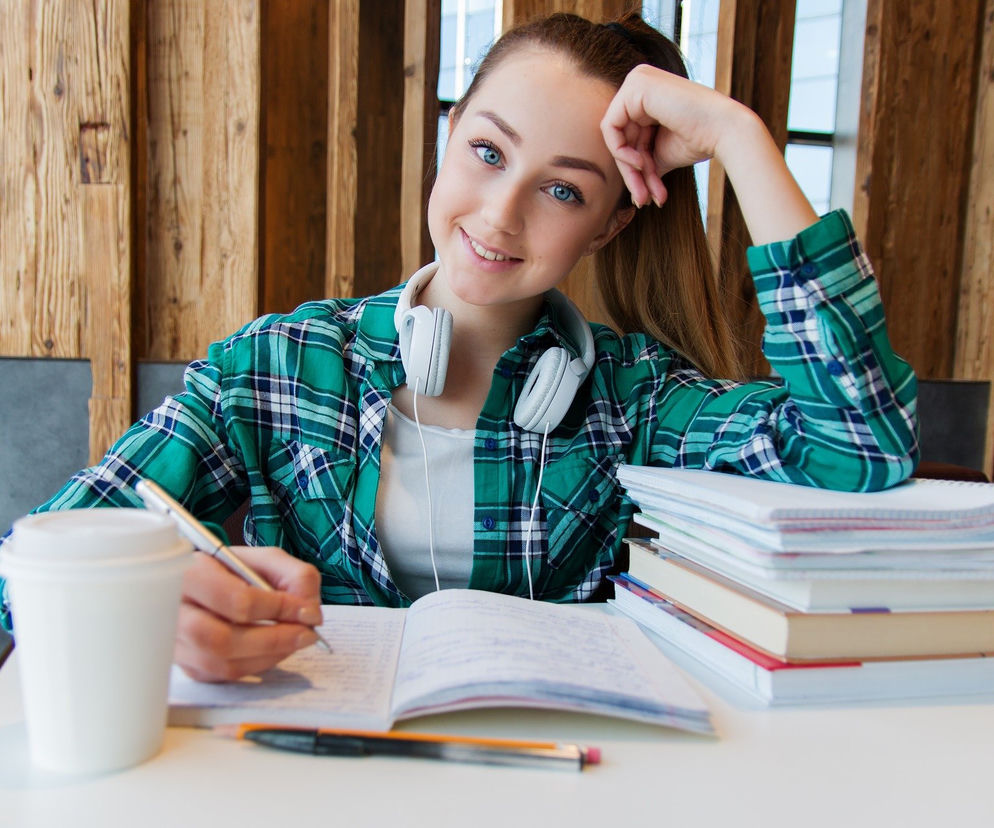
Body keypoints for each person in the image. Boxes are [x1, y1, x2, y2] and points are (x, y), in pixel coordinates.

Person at [0, 12, 917, 682]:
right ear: (448, 138)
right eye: (488, 152)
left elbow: (859, 445)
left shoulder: (635, 399)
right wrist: (150, 606)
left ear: (604, 230)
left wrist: (741, 139)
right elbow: (24, 569)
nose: (500, 214)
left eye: (564, 191)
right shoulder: (274, 368)